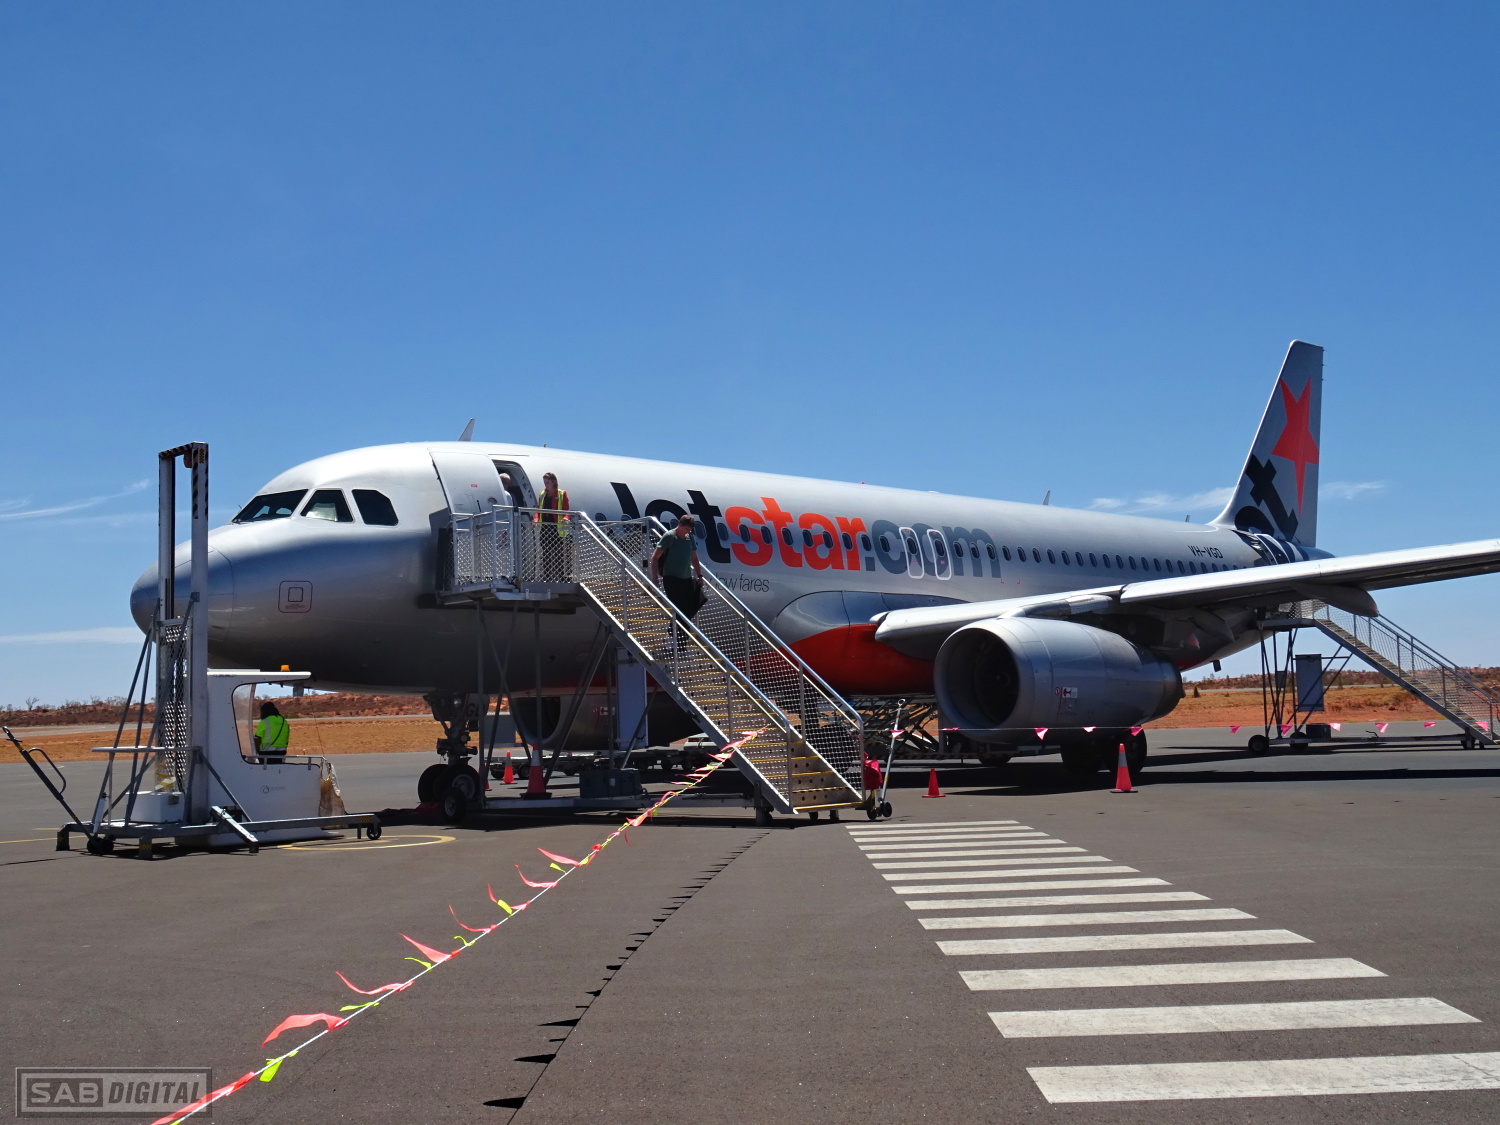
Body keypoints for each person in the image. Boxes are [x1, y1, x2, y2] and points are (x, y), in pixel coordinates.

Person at [651, 513, 705, 619]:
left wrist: (700, 576)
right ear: (680, 525)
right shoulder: (670, 536)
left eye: (690, 529)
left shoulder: (690, 537)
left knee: (689, 608)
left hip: (686, 578)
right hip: (671, 578)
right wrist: (654, 577)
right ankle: (675, 629)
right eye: (686, 529)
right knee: (678, 607)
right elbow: (655, 557)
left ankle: (682, 630)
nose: (688, 531)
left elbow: (694, 558)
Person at [538, 471, 570, 580]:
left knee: (558, 554)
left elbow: (566, 510)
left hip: (557, 528)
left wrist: (566, 518)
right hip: (545, 527)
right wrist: (536, 519)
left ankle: (560, 576)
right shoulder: (542, 494)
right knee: (546, 553)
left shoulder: (561, 494)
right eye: (544, 483)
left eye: (547, 483)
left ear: (553, 482)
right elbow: (538, 510)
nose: (546, 485)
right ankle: (546, 576)